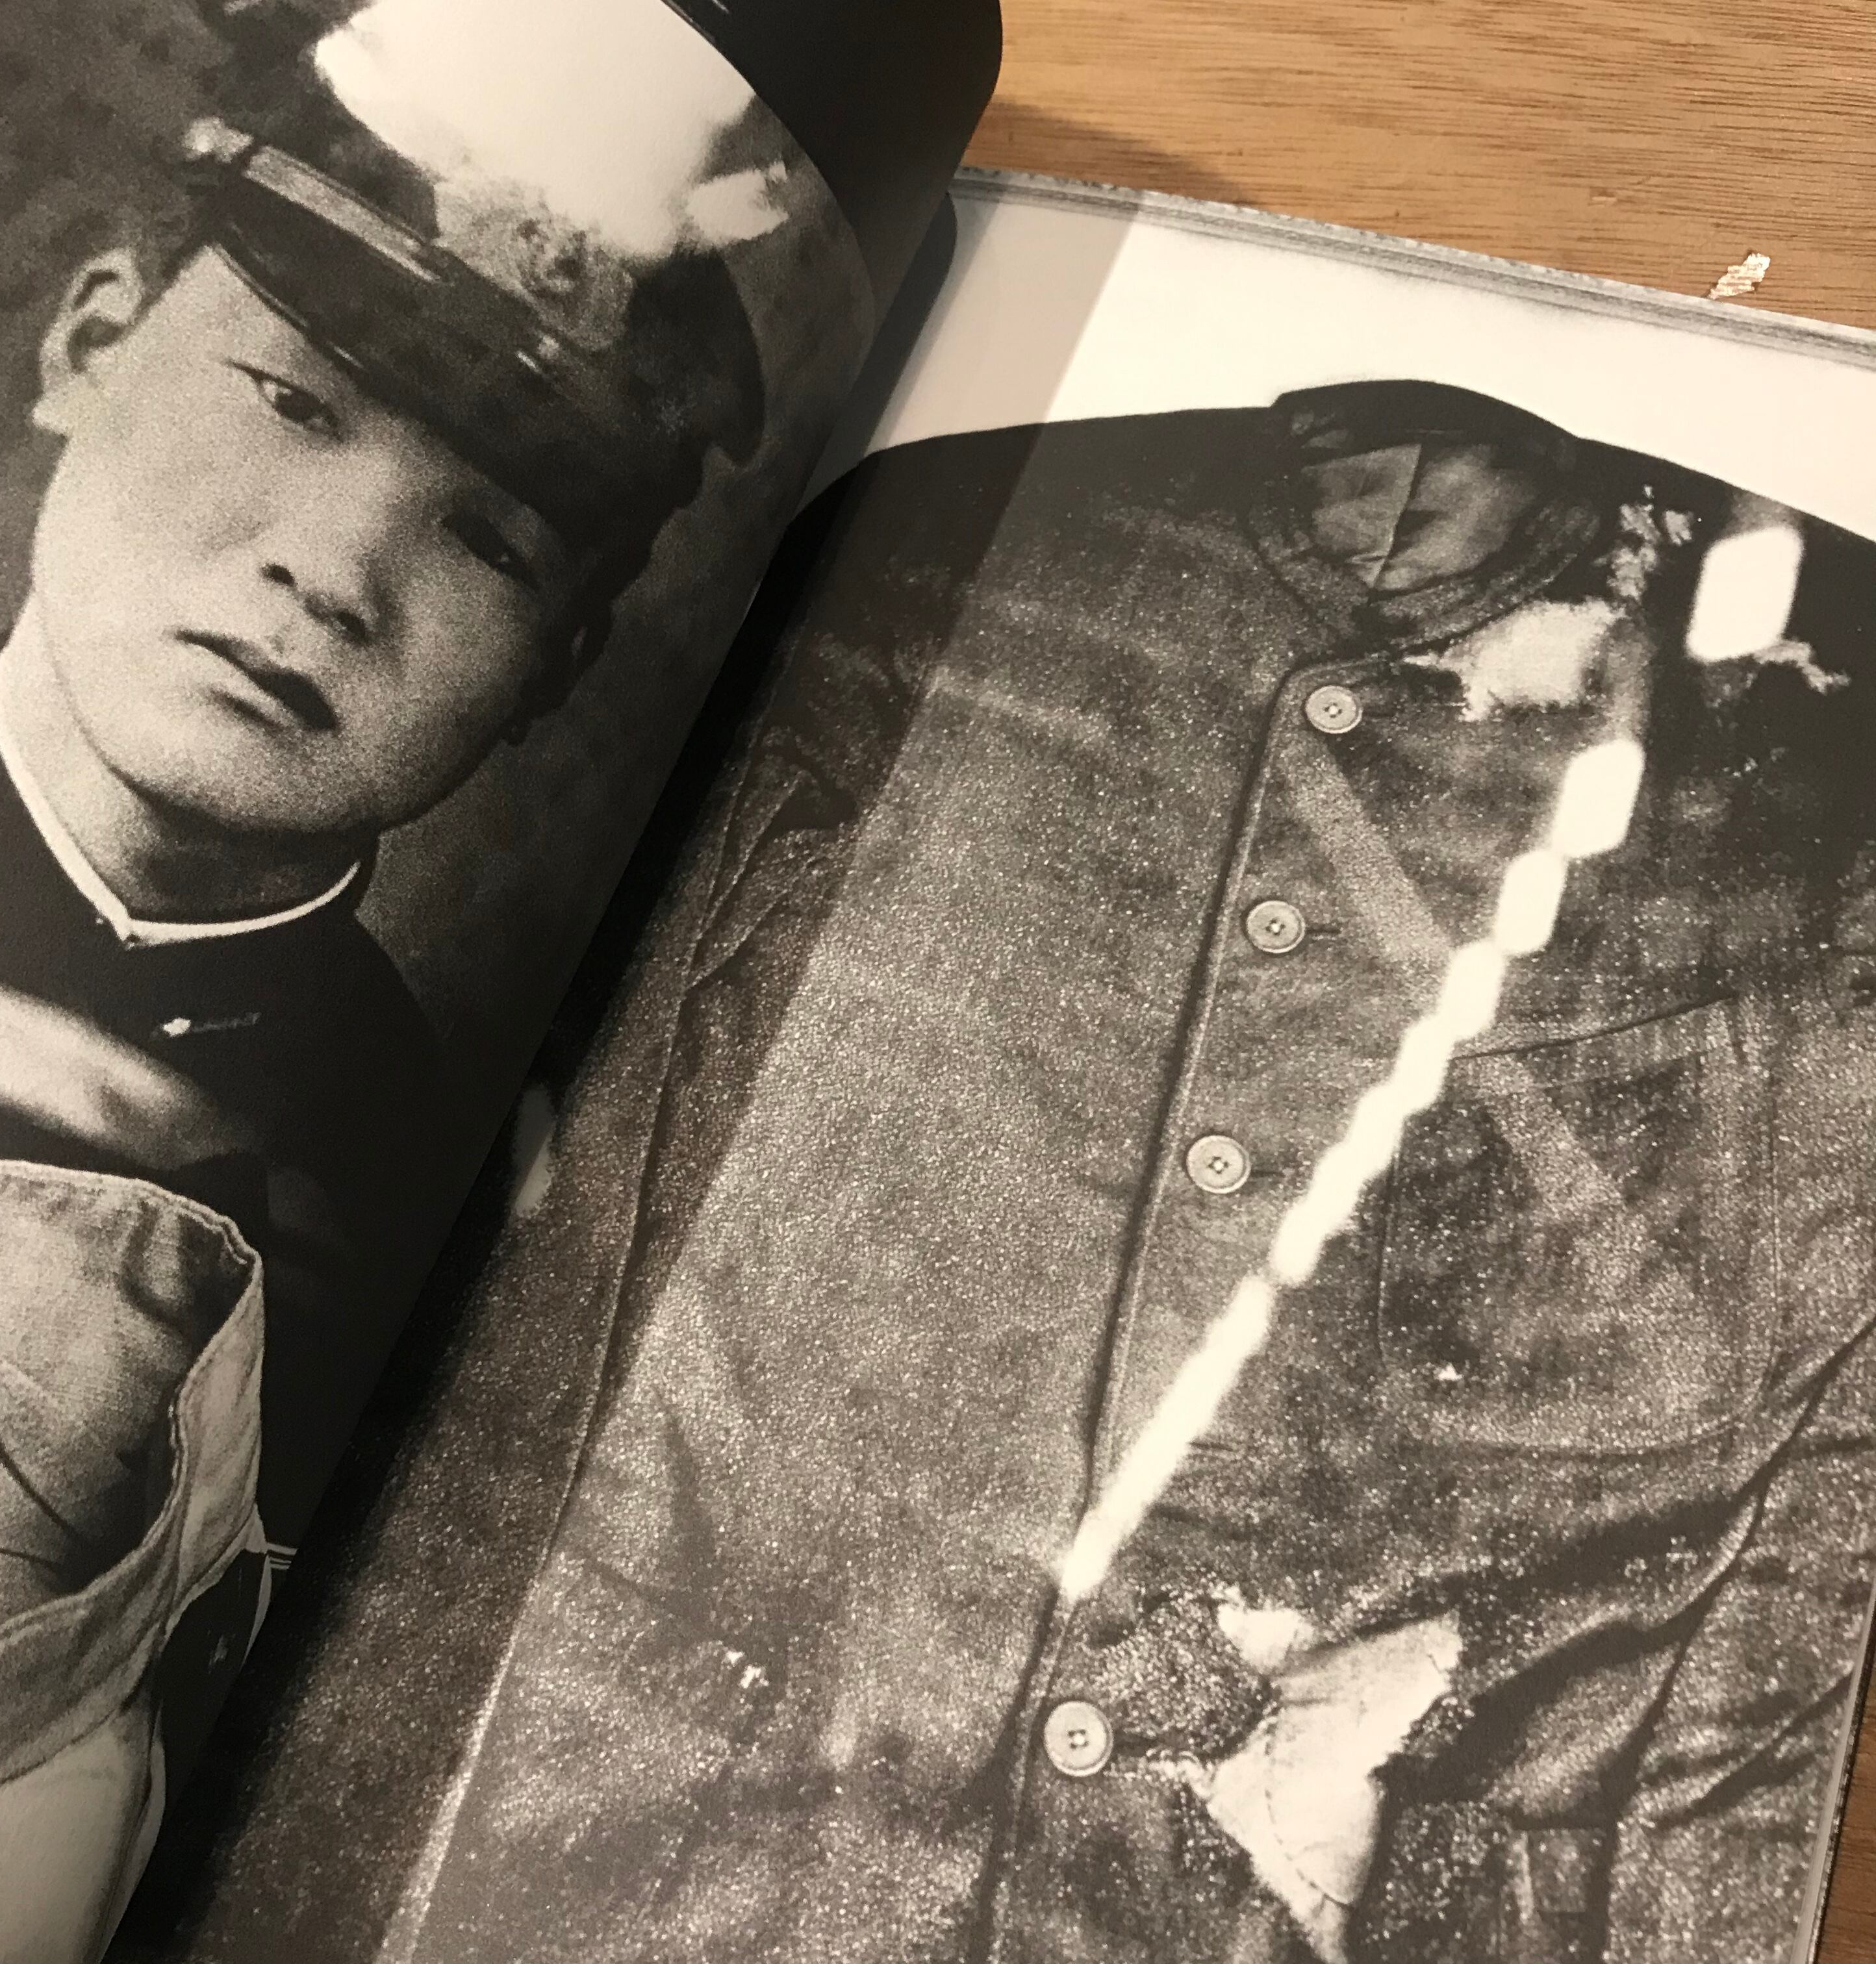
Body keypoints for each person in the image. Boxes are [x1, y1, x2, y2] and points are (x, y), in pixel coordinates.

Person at [407, 382, 1876, 1964]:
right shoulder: (950, 562)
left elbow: (1809, 1520)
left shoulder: (1808, 725)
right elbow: (562, 1254)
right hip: (696, 1830)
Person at [0, 0, 770, 1943]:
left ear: (555, 674)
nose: (334, 570)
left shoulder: (449, 1209)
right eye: (293, 405)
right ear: (91, 340)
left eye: (487, 540)